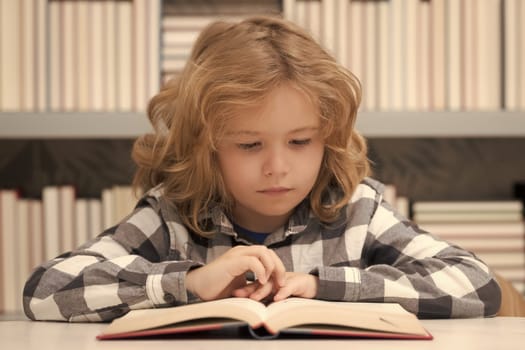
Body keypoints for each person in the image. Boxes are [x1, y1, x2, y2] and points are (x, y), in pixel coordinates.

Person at [23, 15, 501, 322]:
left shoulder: (355, 209)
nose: (278, 167)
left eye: (300, 141)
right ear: (206, 147)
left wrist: (321, 289)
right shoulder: (173, 214)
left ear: (328, 136)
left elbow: (477, 284)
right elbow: (46, 291)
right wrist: (187, 282)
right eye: (249, 144)